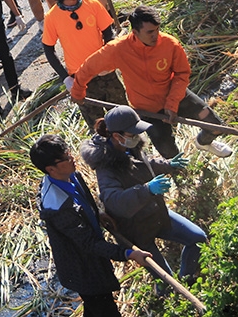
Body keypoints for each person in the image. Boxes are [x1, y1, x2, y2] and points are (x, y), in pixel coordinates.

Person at [71, 5, 234, 158]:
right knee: (169, 154)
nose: (155, 35)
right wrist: (78, 91)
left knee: (214, 125)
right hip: (148, 109)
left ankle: (203, 142)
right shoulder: (118, 49)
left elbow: (182, 73)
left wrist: (172, 104)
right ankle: (182, 177)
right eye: (150, 32)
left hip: (176, 96)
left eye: (157, 30)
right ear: (135, 31)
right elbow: (88, 67)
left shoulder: (170, 44)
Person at [30, 133, 152, 316]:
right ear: (51, 168)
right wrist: (128, 253)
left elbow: (84, 200)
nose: (72, 158)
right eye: (65, 158)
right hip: (82, 267)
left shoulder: (71, 175)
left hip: (89, 258)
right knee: (103, 308)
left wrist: (97, 214)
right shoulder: (58, 206)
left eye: (68, 152)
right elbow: (89, 244)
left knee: (97, 308)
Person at [80, 106, 207, 279]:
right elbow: (114, 201)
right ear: (117, 136)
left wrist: (167, 164)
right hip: (135, 229)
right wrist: (147, 190)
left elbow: (144, 163)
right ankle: (166, 295)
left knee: (197, 238)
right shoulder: (106, 167)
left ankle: (188, 278)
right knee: (165, 278)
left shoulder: (130, 145)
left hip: (156, 214)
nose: (137, 137)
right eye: (133, 134)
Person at [43, 0, 125, 130]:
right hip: (80, 79)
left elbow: (108, 33)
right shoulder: (52, 17)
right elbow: (48, 49)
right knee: (98, 128)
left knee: (123, 117)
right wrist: (66, 78)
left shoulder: (93, 5)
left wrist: (107, 57)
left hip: (105, 72)